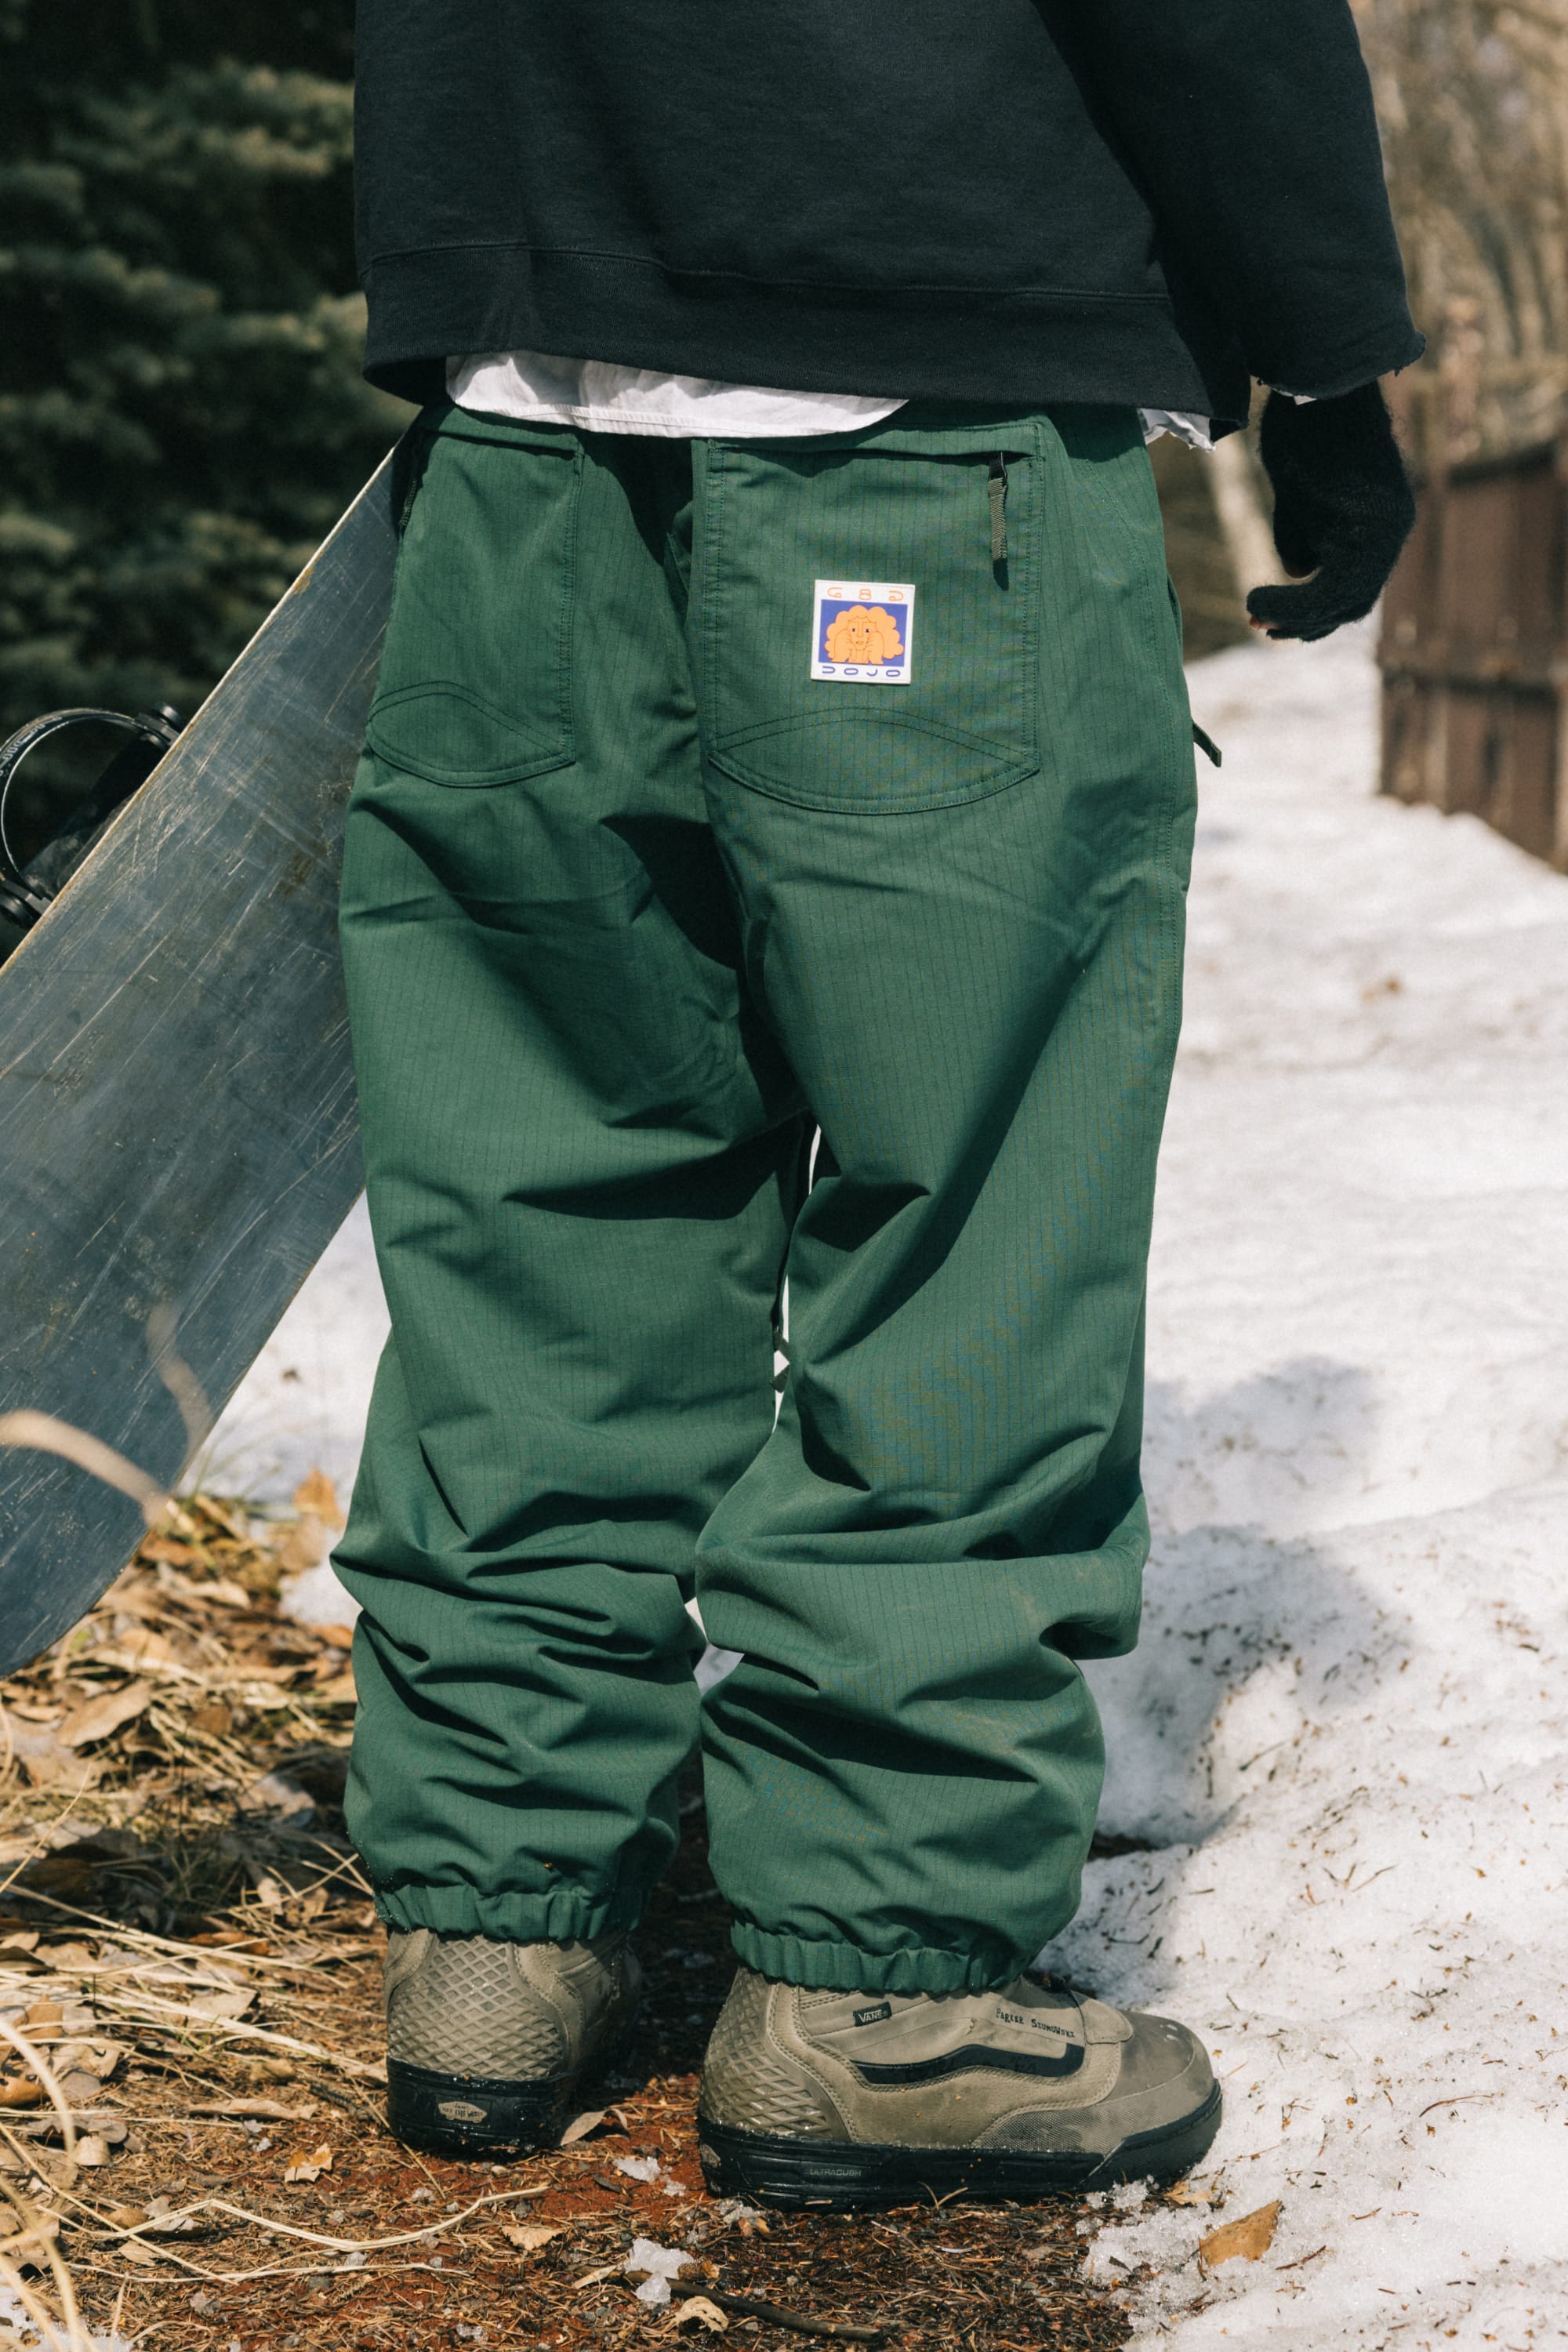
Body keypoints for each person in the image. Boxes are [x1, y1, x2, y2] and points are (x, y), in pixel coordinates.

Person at [336, 0, 1419, 2206]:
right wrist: (1319, 342)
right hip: (921, 421)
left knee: (545, 1184)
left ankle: (495, 1931)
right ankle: (871, 1981)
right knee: (970, 1205)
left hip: (527, 410)